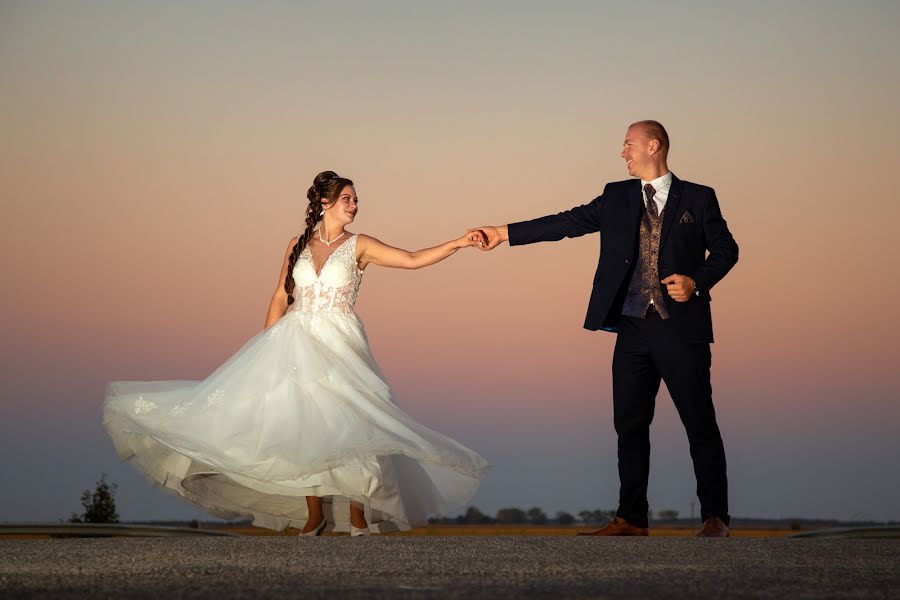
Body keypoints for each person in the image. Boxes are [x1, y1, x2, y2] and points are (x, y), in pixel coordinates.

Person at [103, 170, 490, 536]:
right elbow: (280, 295)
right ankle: (315, 516)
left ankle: (359, 513)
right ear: (324, 202)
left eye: (356, 200)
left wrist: (458, 242)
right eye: (346, 199)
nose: (354, 205)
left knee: (351, 419)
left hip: (340, 340)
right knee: (302, 423)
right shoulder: (297, 244)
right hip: (295, 338)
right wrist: (264, 347)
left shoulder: (361, 245)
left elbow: (411, 259)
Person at [471, 120, 738, 537]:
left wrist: (696, 280)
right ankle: (631, 519)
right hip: (632, 328)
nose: (622, 152)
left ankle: (715, 518)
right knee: (629, 424)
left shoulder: (700, 198)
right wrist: (503, 234)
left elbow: (726, 250)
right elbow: (567, 222)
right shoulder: (616, 196)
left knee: (698, 422)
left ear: (654, 145)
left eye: (629, 144)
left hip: (681, 330)